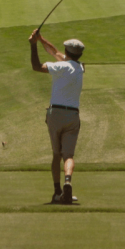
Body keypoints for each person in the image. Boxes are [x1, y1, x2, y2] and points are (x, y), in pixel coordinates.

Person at [29, 29, 85, 204]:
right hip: (72, 116)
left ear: (67, 51)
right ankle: (68, 182)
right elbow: (54, 52)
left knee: (56, 155)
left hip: (55, 114)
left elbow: (36, 66)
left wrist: (33, 46)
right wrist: (41, 39)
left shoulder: (59, 67)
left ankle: (57, 192)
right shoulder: (81, 68)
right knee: (68, 155)